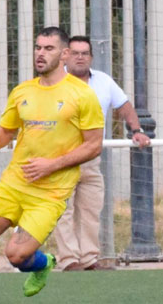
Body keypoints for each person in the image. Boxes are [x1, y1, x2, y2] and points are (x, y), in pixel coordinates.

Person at [0, 27, 105, 304]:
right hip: (15, 183)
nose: (41, 53)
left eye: (48, 48)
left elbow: (94, 146)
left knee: (17, 256)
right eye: (37, 47)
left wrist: (52, 165)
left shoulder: (82, 95)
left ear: (65, 54)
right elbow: (5, 134)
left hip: (51, 192)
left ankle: (43, 263)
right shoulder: (22, 91)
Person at [53, 35, 152, 271]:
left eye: (84, 53)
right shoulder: (53, 82)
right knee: (62, 211)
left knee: (90, 209)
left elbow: (124, 105)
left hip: (90, 159)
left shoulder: (104, 81)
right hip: (61, 158)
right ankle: (69, 260)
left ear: (91, 57)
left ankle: (88, 259)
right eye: (75, 52)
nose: (79, 57)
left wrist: (136, 130)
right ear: (66, 55)